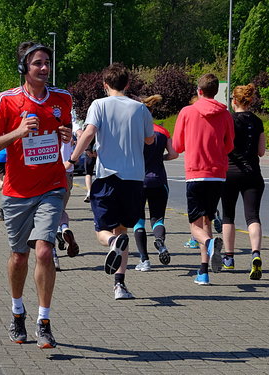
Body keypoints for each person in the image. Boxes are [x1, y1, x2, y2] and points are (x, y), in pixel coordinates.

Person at [0, 41, 73, 349]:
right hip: (17, 191)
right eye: (38, 63)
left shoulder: (63, 98)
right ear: (24, 67)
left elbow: (66, 130)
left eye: (47, 62)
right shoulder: (6, 101)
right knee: (20, 256)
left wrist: (66, 135)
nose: (45, 68)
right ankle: (17, 311)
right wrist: (18, 132)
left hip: (51, 185)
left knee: (45, 251)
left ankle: (43, 321)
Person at [65, 63, 155, 300]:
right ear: (127, 84)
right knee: (123, 229)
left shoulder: (99, 105)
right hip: (134, 179)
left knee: (103, 231)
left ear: (105, 85)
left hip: (107, 177)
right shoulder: (141, 109)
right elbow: (149, 140)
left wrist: (72, 160)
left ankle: (113, 242)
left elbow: (89, 132)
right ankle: (120, 285)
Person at [172, 73, 234, 286]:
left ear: (199, 91)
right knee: (206, 221)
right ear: (216, 91)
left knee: (195, 226)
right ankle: (203, 270)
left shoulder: (187, 112)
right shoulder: (225, 114)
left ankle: (209, 244)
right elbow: (229, 145)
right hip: (217, 174)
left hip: (195, 173)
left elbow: (177, 145)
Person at [221, 84, 265, 280]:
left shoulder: (228, 120)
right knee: (253, 216)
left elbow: (223, 146)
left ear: (234, 101)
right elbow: (261, 151)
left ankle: (229, 258)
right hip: (253, 173)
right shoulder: (257, 121)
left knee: (228, 215)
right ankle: (256, 253)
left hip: (230, 173)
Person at [133, 95, 179, 272]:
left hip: (137, 181)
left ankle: (144, 260)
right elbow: (174, 154)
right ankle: (160, 243)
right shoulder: (162, 131)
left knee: (138, 221)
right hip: (159, 180)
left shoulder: (135, 131)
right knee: (158, 218)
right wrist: (162, 157)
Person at [54, 139, 80, 270]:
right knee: (60, 209)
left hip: (47, 171)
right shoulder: (67, 124)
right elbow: (81, 136)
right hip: (67, 171)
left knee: (47, 214)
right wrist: (73, 159)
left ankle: (53, 256)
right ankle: (64, 227)